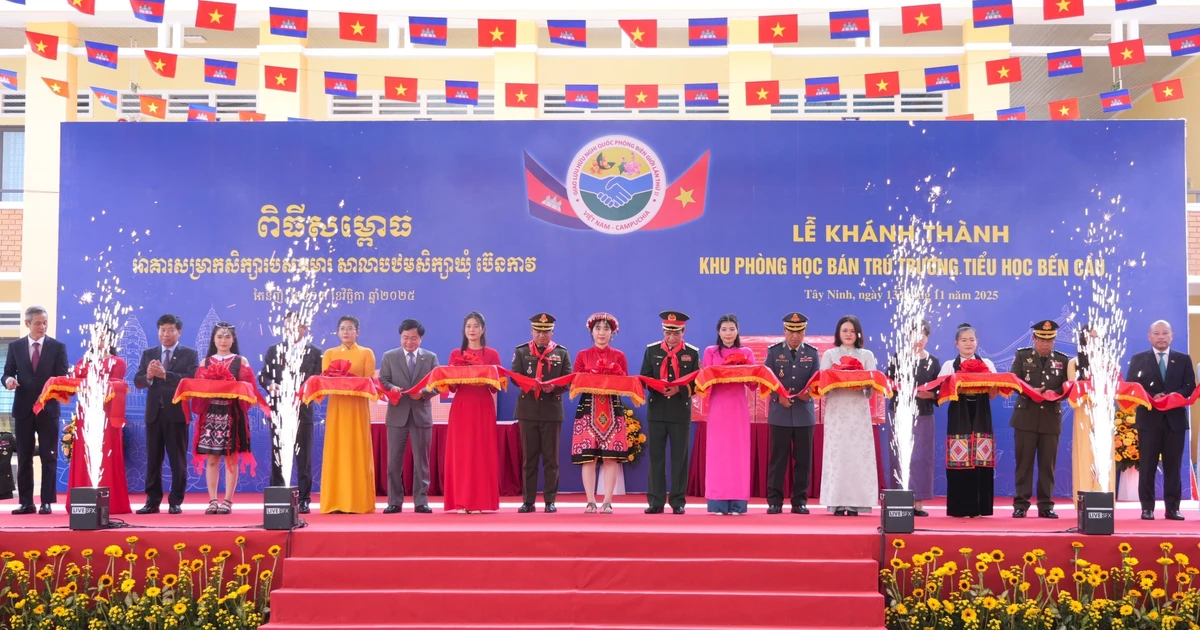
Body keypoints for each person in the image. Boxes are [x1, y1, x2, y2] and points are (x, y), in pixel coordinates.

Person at [1125, 320, 1196, 521]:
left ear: (1172, 336)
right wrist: (1152, 397)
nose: (1161, 337)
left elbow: (1190, 384)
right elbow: (1132, 385)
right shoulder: (1139, 359)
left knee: (1173, 467)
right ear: (1150, 337)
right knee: (1147, 466)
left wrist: (1173, 396)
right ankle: (1147, 508)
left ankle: (1172, 508)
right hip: (1149, 420)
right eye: (1157, 333)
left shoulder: (1183, 359)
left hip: (1175, 421)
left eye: (1165, 333)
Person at [3, 306, 69, 515]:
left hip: (48, 409)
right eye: (38, 323)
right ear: (27, 324)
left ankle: (46, 501)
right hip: (23, 409)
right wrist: (9, 381)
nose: (43, 326)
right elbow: (6, 374)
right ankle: (26, 502)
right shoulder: (15, 346)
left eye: (45, 322)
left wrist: (55, 387)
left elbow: (62, 376)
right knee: (24, 456)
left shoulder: (57, 347)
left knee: (49, 456)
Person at [257, 312, 324, 514]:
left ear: (304, 328)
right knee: (278, 456)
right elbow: (263, 376)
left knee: (304, 458)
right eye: (287, 325)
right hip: (279, 411)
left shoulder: (315, 352)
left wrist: (305, 389)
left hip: (303, 412)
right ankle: (278, 499)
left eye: (295, 325)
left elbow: (320, 379)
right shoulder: (274, 350)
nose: (291, 329)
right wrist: (271, 386)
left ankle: (304, 499)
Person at [133, 314, 199, 515]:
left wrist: (165, 375)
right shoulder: (149, 353)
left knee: (177, 460)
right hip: (154, 415)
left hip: (177, 414)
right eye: (162, 329)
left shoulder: (189, 354)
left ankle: (175, 501)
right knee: (153, 459)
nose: (166, 334)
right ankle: (152, 501)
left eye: (170, 330)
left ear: (179, 332)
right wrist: (150, 376)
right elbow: (138, 381)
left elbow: (191, 380)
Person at [190, 322, 256, 515]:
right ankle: (212, 500)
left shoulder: (241, 361)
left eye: (227, 337)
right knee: (211, 459)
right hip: (210, 415)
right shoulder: (205, 363)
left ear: (233, 340)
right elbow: (199, 391)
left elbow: (249, 389)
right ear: (213, 339)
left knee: (231, 458)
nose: (223, 340)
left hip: (233, 414)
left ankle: (227, 500)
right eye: (219, 336)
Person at [640, 311, 700, 515]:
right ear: (663, 331)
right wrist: (655, 387)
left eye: (676, 333)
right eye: (668, 332)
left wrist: (679, 389)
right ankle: (656, 501)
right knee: (656, 457)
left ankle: (677, 501)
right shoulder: (652, 351)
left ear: (684, 331)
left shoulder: (692, 353)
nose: (672, 337)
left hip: (679, 412)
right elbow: (645, 377)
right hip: (656, 410)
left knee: (679, 459)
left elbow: (697, 383)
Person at [1009, 320, 1070, 519]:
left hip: (1050, 418)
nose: (1045, 344)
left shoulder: (1063, 360)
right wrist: (1030, 391)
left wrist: (1056, 392)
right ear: (1034, 338)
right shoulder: (1022, 355)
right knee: (1024, 464)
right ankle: (1021, 504)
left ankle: (1045, 505)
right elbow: (1013, 381)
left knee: (1047, 465)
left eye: (1050, 340)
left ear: (1054, 340)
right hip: (1025, 416)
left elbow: (1068, 386)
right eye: (1041, 339)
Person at [819, 315, 879, 516]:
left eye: (852, 331)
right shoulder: (829, 354)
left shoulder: (867, 355)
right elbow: (823, 382)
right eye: (844, 330)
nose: (848, 334)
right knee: (837, 454)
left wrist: (861, 381)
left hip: (858, 411)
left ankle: (855, 503)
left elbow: (872, 383)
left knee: (856, 455)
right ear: (838, 333)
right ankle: (836, 502)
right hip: (837, 410)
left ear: (858, 333)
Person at [512, 313, 571, 514]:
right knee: (529, 459)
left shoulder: (561, 353)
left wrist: (554, 387)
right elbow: (515, 376)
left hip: (551, 411)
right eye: (538, 331)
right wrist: (530, 384)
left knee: (550, 459)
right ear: (532, 331)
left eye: (546, 331)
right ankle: (528, 501)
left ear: (552, 332)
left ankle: (550, 501)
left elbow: (569, 380)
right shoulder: (521, 351)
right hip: (527, 409)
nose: (542, 335)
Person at [444, 311, 502, 513]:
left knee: (481, 452)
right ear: (464, 330)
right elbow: (451, 387)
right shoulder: (455, 354)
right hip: (462, 406)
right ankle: (462, 501)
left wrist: (484, 377)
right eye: (468, 326)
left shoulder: (492, 354)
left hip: (483, 406)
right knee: (462, 453)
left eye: (476, 326)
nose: (472, 330)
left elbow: (496, 386)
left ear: (483, 329)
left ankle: (480, 502)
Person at [571, 313, 629, 514]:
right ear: (591, 331)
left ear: (612, 333)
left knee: (610, 458)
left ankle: (607, 501)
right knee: (589, 458)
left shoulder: (619, 356)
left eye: (606, 329)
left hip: (612, 410)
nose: (602, 333)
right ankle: (590, 501)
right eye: (598, 329)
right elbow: (575, 382)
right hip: (588, 409)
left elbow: (624, 384)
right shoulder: (583, 356)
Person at [379, 319, 439, 514]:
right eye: (405, 338)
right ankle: (394, 501)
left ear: (420, 339)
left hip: (421, 414)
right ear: (400, 337)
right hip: (397, 414)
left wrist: (423, 392)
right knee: (393, 462)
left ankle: (421, 501)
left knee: (422, 461)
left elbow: (438, 383)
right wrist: (392, 388)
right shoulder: (389, 356)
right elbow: (383, 380)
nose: (409, 342)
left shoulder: (430, 358)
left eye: (413, 338)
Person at [938, 323, 998, 519]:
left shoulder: (988, 364)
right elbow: (942, 392)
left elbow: (993, 395)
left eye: (971, 340)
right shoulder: (949, 365)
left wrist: (988, 382)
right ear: (956, 343)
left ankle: (981, 508)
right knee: (959, 458)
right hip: (959, 414)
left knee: (981, 458)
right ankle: (960, 508)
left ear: (977, 342)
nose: (968, 343)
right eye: (963, 340)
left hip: (981, 412)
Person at [319, 315, 378, 514]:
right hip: (336, 409)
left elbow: (370, 382)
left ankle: (359, 502)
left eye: (350, 328)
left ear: (357, 332)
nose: (346, 332)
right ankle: (334, 501)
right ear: (338, 332)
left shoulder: (366, 353)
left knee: (357, 450)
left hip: (358, 409)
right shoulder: (329, 353)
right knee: (337, 450)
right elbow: (325, 381)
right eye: (342, 328)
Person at [66, 339, 132, 515]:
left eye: (104, 337)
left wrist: (94, 385)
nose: (100, 341)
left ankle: (112, 502)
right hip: (85, 413)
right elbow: (73, 387)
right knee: (84, 454)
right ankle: (81, 501)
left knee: (107, 453)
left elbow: (117, 384)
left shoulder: (118, 362)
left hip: (107, 414)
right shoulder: (84, 361)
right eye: (97, 337)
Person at [764, 313, 820, 515]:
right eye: (791, 331)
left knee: (803, 460)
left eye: (799, 331)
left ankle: (799, 501)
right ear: (784, 331)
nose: (795, 336)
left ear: (804, 332)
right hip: (780, 412)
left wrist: (809, 392)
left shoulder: (813, 353)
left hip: (804, 414)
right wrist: (777, 396)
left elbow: (817, 380)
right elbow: (767, 379)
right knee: (778, 459)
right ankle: (774, 501)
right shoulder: (773, 352)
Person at [702, 314, 756, 515]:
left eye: (732, 329)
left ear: (737, 330)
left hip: (738, 407)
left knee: (738, 454)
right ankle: (717, 502)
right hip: (718, 406)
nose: (728, 333)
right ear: (718, 331)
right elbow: (705, 378)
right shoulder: (711, 352)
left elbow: (752, 384)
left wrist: (745, 371)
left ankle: (737, 504)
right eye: (724, 329)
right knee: (718, 453)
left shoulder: (747, 352)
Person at [888, 319, 940, 517]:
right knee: (899, 456)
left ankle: (918, 502)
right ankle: (900, 500)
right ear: (908, 336)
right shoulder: (898, 357)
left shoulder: (933, 362)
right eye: (914, 334)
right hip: (899, 414)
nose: (918, 339)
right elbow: (888, 384)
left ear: (927, 338)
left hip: (924, 415)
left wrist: (932, 395)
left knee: (921, 458)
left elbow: (940, 392)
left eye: (923, 335)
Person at [1068, 328, 1115, 505]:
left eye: (1097, 337)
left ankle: (1104, 497)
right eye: (1090, 338)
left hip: (1103, 414)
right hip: (1084, 414)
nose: (1093, 341)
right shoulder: (1074, 363)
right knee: (1085, 453)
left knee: (1103, 454)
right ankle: (1084, 499)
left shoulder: (1109, 363)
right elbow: (1073, 390)